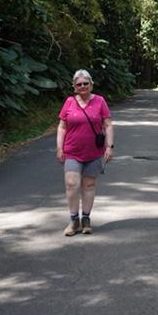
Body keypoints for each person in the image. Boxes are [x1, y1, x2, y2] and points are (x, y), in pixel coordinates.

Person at [56, 69, 114, 236]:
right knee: (71, 184)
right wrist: (59, 148)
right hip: (72, 151)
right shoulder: (69, 102)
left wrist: (109, 147)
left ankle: (86, 219)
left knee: (88, 185)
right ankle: (74, 220)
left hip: (94, 152)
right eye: (79, 84)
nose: (82, 86)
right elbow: (62, 127)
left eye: (85, 83)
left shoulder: (100, 101)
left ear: (91, 84)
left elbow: (108, 125)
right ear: (74, 86)